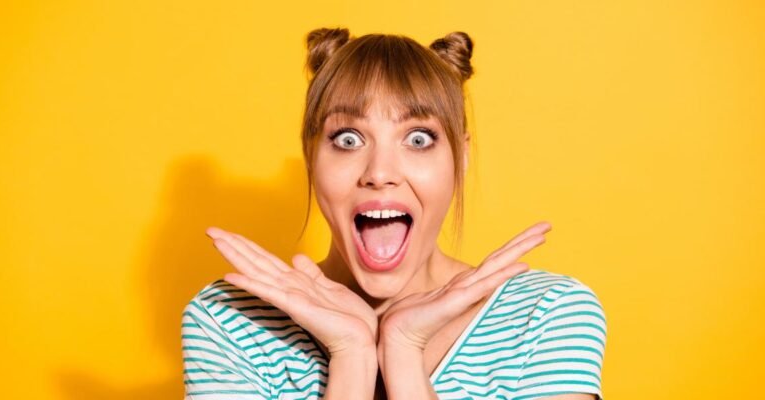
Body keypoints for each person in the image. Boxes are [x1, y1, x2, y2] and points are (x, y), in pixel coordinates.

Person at [181, 28, 606, 400]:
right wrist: (351, 355)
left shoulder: (544, 315)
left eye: (418, 139)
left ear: (461, 157)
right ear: (311, 156)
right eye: (348, 139)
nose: (380, 173)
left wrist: (403, 350)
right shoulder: (230, 322)